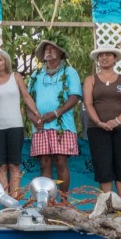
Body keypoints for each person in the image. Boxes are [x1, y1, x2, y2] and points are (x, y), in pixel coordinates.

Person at [27, 39, 82, 196]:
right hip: (40, 126)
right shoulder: (36, 75)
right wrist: (33, 118)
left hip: (62, 125)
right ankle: (48, 202)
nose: (49, 51)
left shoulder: (69, 72)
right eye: (46, 49)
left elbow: (74, 97)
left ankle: (64, 202)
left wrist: (56, 113)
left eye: (53, 49)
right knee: (44, 162)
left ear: (60, 53)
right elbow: (28, 101)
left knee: (61, 161)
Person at [82, 48, 121, 203]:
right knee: (103, 164)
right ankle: (108, 203)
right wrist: (99, 122)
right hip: (97, 129)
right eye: (101, 56)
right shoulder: (90, 79)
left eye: (108, 55)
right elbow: (88, 103)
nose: (104, 58)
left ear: (115, 59)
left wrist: (117, 121)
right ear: (98, 60)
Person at [0, 49, 38, 195]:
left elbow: (26, 97)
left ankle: (15, 201)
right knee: (1, 166)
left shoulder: (16, 77)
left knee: (14, 165)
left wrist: (37, 114)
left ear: (6, 62)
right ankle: (5, 201)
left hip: (15, 126)